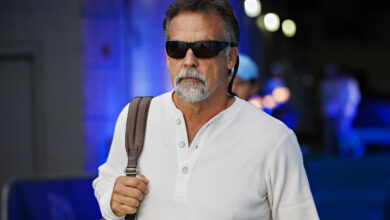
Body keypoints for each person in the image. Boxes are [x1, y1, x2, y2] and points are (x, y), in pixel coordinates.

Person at [93, 0, 319, 219]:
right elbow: (106, 181)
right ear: (167, 56)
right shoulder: (136, 117)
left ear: (230, 58)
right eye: (177, 48)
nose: (189, 60)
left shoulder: (274, 140)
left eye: (204, 48)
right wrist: (112, 200)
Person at [319, 64, 365, 157]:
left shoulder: (350, 82)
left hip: (347, 111)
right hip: (340, 111)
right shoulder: (341, 82)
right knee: (340, 130)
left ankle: (358, 147)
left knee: (344, 129)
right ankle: (345, 150)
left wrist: (347, 106)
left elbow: (354, 97)